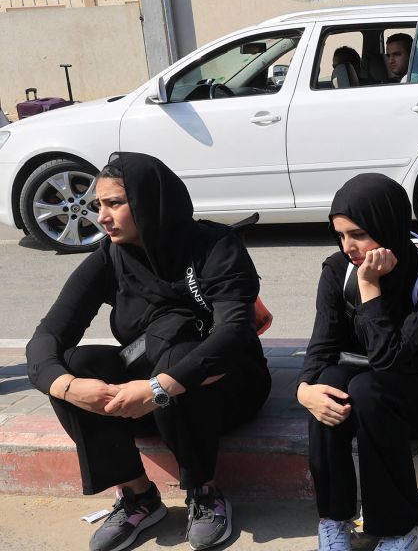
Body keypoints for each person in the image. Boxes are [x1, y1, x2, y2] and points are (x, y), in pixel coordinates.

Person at [26, 152, 271, 551]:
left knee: (180, 356)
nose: (101, 217)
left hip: (224, 391)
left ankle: (204, 492)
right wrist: (68, 386)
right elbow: (49, 335)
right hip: (143, 402)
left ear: (150, 200)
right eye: (97, 205)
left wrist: (159, 388)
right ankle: (138, 496)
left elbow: (233, 333)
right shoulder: (110, 255)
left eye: (114, 203)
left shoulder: (213, 246)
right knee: (75, 363)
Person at [299, 174, 418, 551]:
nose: (348, 247)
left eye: (358, 234)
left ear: (387, 224)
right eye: (341, 235)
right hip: (373, 379)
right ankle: (335, 519)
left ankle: (408, 525)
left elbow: (393, 361)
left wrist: (370, 289)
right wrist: (303, 390)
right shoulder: (336, 270)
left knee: (366, 389)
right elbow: (322, 343)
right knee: (328, 385)